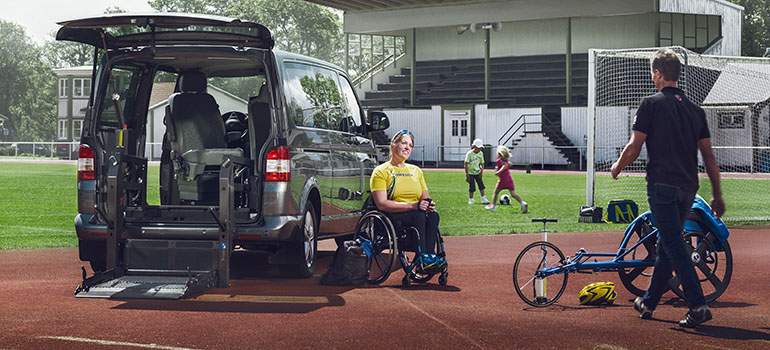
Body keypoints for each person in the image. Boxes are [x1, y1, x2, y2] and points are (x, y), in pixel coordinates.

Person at [611, 48, 725, 328]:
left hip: (661, 186)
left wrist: (617, 167)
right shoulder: (695, 110)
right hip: (688, 187)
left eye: (653, 72)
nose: (652, 77)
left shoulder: (650, 104)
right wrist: (718, 193)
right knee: (667, 242)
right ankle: (649, 301)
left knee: (673, 242)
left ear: (659, 74)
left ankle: (698, 305)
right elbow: (709, 155)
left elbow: (635, 147)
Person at [371, 130, 439, 257]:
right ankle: (422, 257)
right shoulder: (381, 171)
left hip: (416, 211)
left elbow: (425, 197)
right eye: (404, 143)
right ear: (392, 145)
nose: (408, 147)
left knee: (433, 215)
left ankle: (430, 256)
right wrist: (413, 206)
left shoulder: (416, 171)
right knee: (418, 216)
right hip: (393, 214)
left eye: (411, 145)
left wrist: (429, 204)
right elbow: (381, 204)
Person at [485, 145, 527, 213]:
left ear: (499, 154)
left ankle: (493, 206)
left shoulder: (499, 161)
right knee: (513, 194)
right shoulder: (506, 161)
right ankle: (522, 203)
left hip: (503, 180)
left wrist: (499, 172)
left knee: (496, 193)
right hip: (509, 180)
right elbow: (508, 164)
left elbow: (504, 166)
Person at [465, 138, 490, 205]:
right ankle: (471, 199)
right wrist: (467, 175)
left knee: (481, 185)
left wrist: (481, 172)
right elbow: (466, 164)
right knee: (472, 186)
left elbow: (482, 163)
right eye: (478, 148)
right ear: (474, 146)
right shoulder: (469, 154)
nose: (479, 149)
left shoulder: (481, 154)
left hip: (477, 172)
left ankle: (483, 198)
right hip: (470, 173)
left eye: (480, 148)